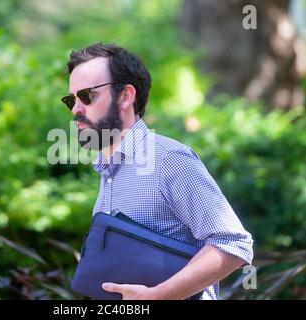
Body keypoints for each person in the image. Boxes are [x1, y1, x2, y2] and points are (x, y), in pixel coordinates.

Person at [61, 43, 254, 300]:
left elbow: (234, 245)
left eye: (86, 95)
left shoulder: (168, 159)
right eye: (70, 100)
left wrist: (158, 296)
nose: (76, 109)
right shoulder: (108, 168)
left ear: (125, 96)